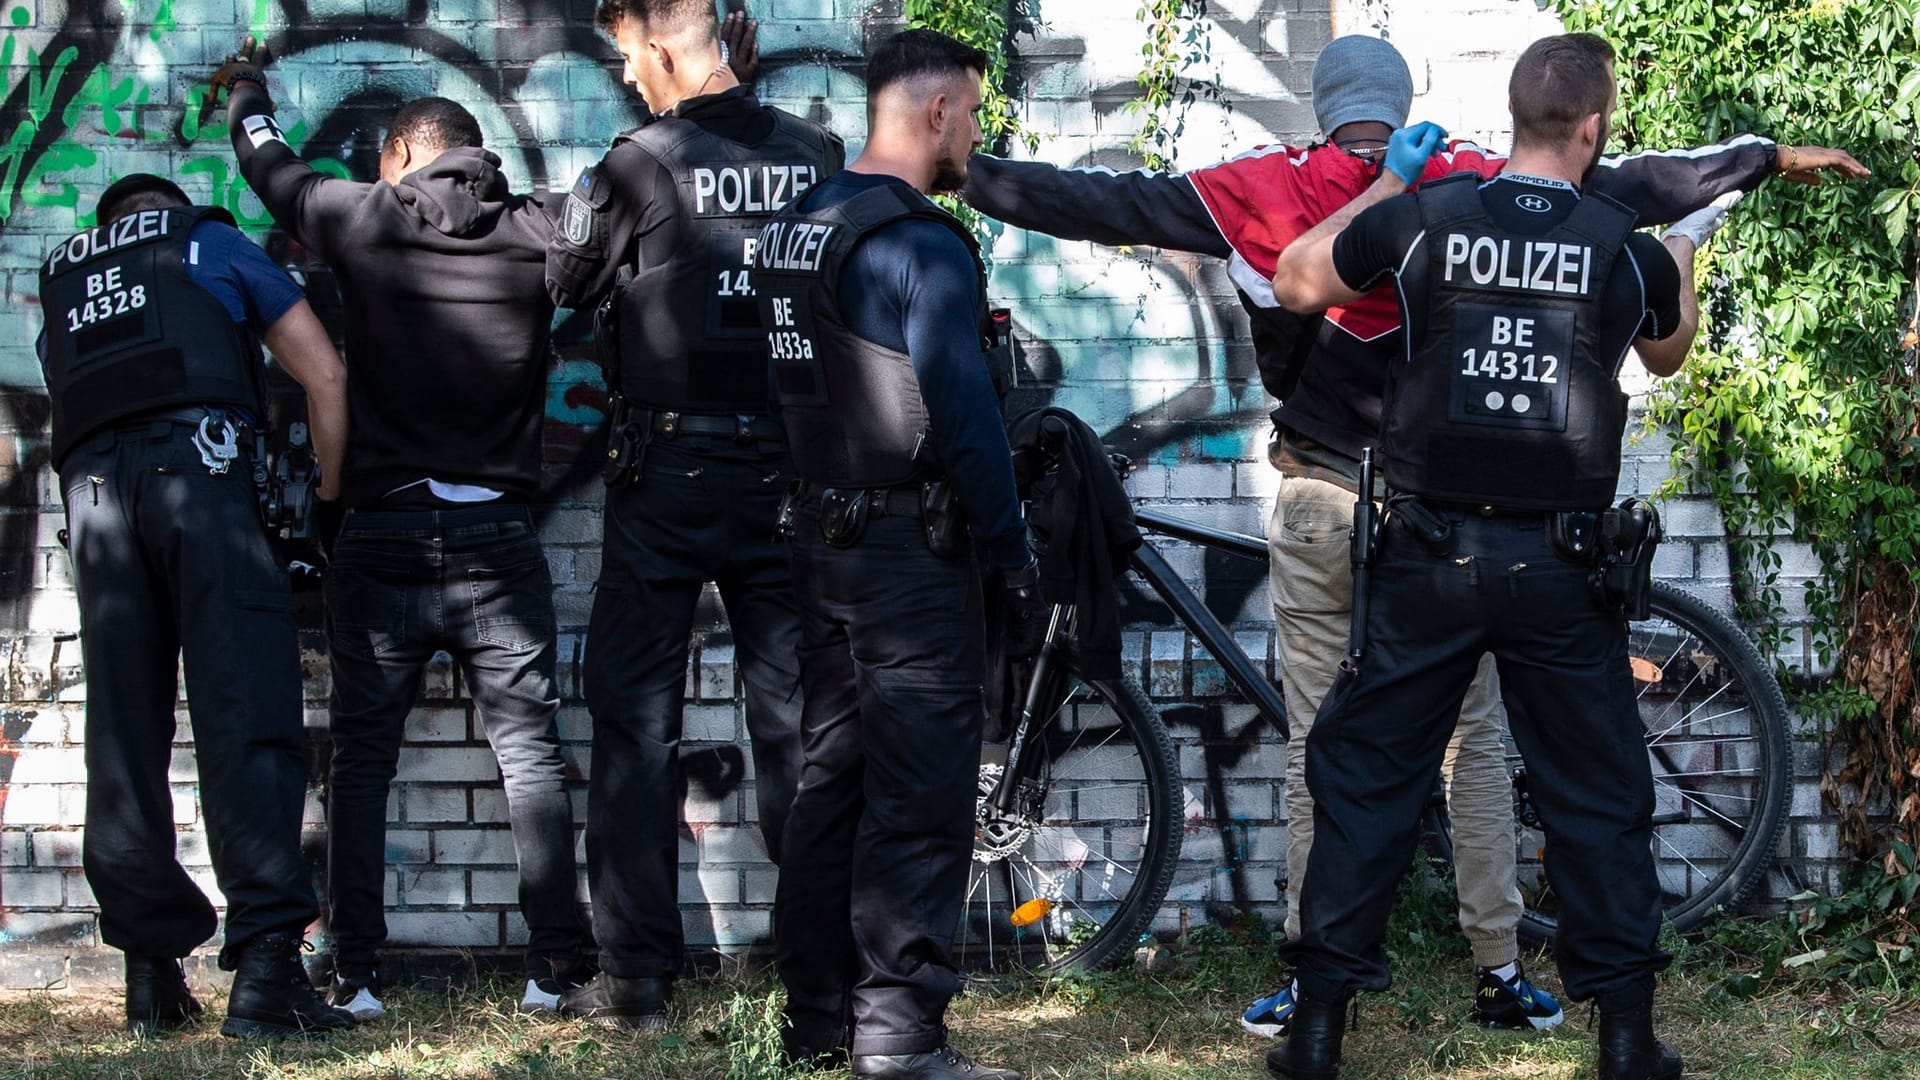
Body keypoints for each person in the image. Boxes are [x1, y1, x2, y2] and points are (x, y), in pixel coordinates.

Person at [959, 33, 1869, 1038]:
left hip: (1323, 497)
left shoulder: (1272, 185)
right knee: (1474, 744)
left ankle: (1316, 986)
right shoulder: (1466, 179)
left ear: (1322, 103)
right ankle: (1498, 968)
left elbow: (1107, 203)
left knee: (1326, 745)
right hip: (1435, 518)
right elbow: (1635, 183)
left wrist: (970, 173)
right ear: (1401, 101)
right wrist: (1767, 159)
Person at [1265, 32, 1765, 1080]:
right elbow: (1667, 352)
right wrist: (1683, 246)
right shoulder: (1622, 243)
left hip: (1425, 559)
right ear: (1592, 127)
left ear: (1514, 118)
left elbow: (1298, 280)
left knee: (1364, 783)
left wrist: (1385, 185)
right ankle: (1626, 1041)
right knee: (1598, 798)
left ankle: (1316, 1036)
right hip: (1560, 571)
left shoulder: (1425, 223)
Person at [218, 44, 594, 1019]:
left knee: (363, 759)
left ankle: (359, 977)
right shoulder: (534, 230)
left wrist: (249, 92)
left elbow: (268, 166)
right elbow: (629, 224)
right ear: (473, 157)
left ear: (396, 156)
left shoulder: (364, 217)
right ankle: (557, 969)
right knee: (529, 756)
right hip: (500, 541)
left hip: (383, 533)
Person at [542, 0, 842, 1029]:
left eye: (627, 53)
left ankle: (636, 986)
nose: (626, 75)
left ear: (661, 44)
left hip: (667, 476)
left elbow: (564, 279)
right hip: (790, 479)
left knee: (633, 725)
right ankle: (821, 976)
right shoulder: (818, 155)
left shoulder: (639, 162)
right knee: (798, 732)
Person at [753, 28, 1033, 1080]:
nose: (977, 133)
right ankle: (901, 1041)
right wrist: (1010, 552)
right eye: (971, 113)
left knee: (833, 785)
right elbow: (962, 420)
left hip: (822, 546)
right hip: (911, 558)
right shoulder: (919, 243)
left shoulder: (799, 226)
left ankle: (817, 1019)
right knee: (917, 801)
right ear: (934, 114)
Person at [39, 173, 353, 1038]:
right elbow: (324, 376)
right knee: (245, 718)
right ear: (168, 210)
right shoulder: (207, 242)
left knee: (125, 737)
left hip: (95, 504)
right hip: (203, 485)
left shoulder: (64, 280)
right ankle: (266, 977)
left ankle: (152, 977)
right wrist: (325, 502)